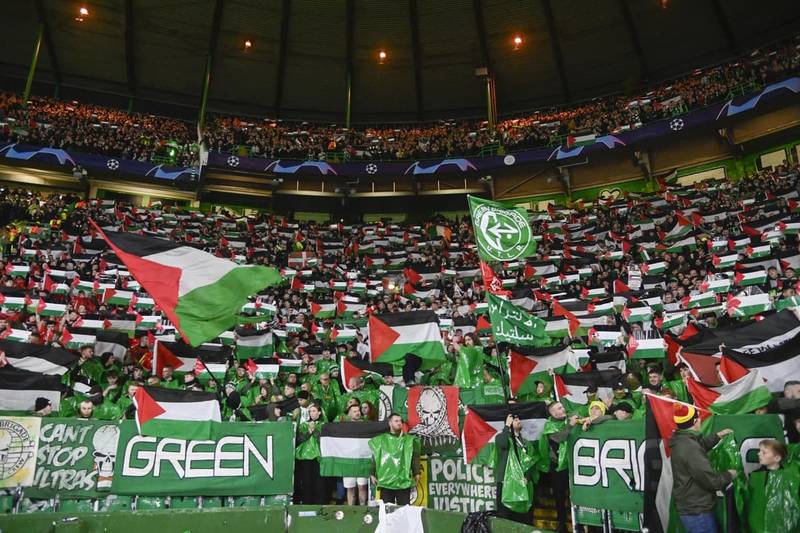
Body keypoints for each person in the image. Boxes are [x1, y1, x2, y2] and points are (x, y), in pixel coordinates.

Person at [669, 402, 736, 533]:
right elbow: (711, 481)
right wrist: (729, 475)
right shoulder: (690, 447)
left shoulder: (682, 440)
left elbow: (698, 447)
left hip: (691, 507)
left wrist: (717, 436)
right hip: (697, 511)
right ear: (695, 421)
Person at [744, 439, 800, 533]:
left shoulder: (788, 476)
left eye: (764, 452)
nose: (759, 454)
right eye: (759, 451)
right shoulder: (755, 476)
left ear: (777, 458)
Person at [368, 413, 420, 505]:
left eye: (400, 421)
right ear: (390, 423)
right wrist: (372, 473)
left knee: (404, 510)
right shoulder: (380, 440)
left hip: (403, 482)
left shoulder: (409, 440)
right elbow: (375, 457)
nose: (399, 423)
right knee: (387, 510)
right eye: (396, 421)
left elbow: (414, 457)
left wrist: (416, 472)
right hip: (386, 482)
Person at [495, 412, 535, 523]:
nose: (518, 421)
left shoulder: (526, 443)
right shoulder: (502, 437)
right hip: (506, 482)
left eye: (519, 419)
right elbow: (503, 444)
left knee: (523, 517)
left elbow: (532, 461)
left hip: (522, 483)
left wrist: (527, 477)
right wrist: (507, 427)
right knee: (505, 517)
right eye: (515, 420)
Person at [295, 403, 328, 504]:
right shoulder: (304, 425)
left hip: (319, 457)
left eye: (314, 411)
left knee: (319, 482)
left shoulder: (324, 425)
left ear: (319, 412)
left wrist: (315, 431)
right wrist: (309, 431)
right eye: (310, 411)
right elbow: (299, 440)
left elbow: (324, 441)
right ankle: (306, 502)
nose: (312, 413)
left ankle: (319, 502)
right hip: (305, 457)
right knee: (306, 481)